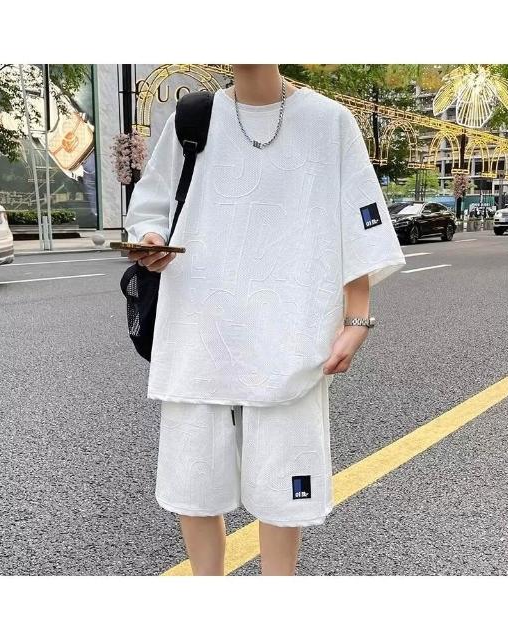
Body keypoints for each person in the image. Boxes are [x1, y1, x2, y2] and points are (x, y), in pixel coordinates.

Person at [124, 64, 406, 575]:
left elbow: (360, 218)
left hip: (290, 333)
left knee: (283, 485)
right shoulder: (193, 118)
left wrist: (358, 317)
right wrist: (151, 239)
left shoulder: (328, 122)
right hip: (199, 330)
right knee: (195, 483)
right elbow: (152, 202)